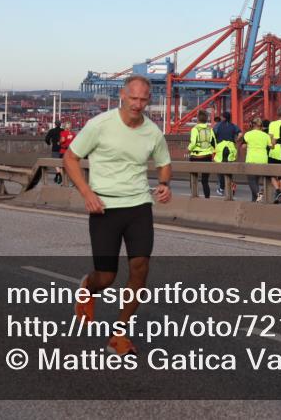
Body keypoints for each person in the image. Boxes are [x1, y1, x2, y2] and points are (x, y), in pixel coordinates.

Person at [63, 75, 172, 356]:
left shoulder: (153, 132)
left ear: (149, 100)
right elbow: (70, 158)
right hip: (104, 207)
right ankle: (89, 286)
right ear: (123, 95)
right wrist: (87, 193)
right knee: (106, 277)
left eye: (143, 99)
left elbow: (164, 163)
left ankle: (119, 334)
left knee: (140, 268)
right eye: (133, 98)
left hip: (138, 206)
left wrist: (164, 184)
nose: (137, 104)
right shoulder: (99, 125)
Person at [239, 116, 271, 202]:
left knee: (252, 181)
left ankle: (259, 196)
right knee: (256, 182)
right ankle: (254, 203)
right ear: (261, 125)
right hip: (263, 160)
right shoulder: (265, 135)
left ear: (252, 125)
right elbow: (271, 146)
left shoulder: (248, 134)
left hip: (251, 160)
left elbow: (243, 146)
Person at [188, 112, 217, 199]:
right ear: (206, 119)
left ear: (198, 119)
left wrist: (189, 148)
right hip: (207, 157)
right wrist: (210, 151)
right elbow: (214, 144)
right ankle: (207, 198)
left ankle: (194, 197)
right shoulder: (210, 130)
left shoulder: (195, 129)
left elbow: (193, 143)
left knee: (193, 178)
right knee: (205, 181)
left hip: (195, 157)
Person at [213, 113, 241, 197]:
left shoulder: (218, 125)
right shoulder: (233, 126)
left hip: (221, 149)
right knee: (229, 168)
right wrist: (236, 141)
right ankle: (231, 184)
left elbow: (213, 135)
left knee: (220, 169)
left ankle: (221, 188)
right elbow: (240, 134)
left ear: (223, 117)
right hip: (231, 148)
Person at [267, 106, 281, 203]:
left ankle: (277, 190)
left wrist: (271, 149)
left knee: (271, 174)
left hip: (273, 152)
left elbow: (270, 139)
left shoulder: (272, 124)